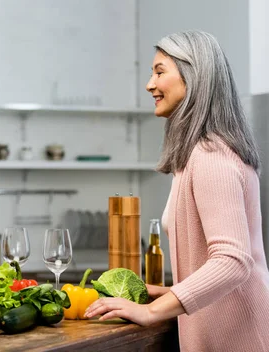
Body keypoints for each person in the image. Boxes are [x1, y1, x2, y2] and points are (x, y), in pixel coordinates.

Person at [85, 31, 269, 351]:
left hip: (241, 338)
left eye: (159, 72)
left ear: (193, 76)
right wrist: (175, 291)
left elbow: (232, 261)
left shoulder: (211, 157)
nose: (149, 84)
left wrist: (151, 310)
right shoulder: (196, 154)